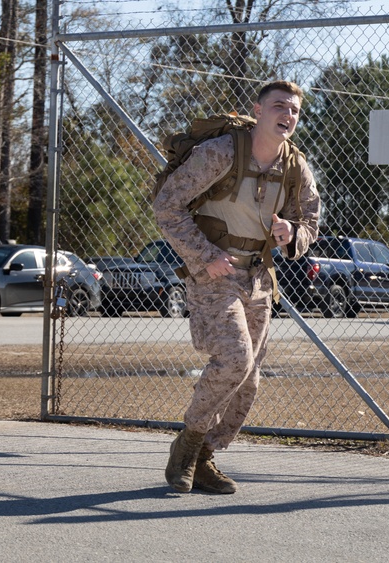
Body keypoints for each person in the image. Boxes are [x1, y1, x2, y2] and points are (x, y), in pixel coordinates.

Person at [152, 80, 320, 494]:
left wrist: (292, 233)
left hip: (258, 278)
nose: (287, 115)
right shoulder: (221, 152)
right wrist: (204, 256)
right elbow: (167, 205)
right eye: (279, 106)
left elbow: (310, 222)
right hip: (214, 274)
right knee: (235, 358)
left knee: (249, 380)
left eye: (294, 110)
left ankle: (205, 456)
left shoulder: (295, 166)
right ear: (258, 110)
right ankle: (187, 446)